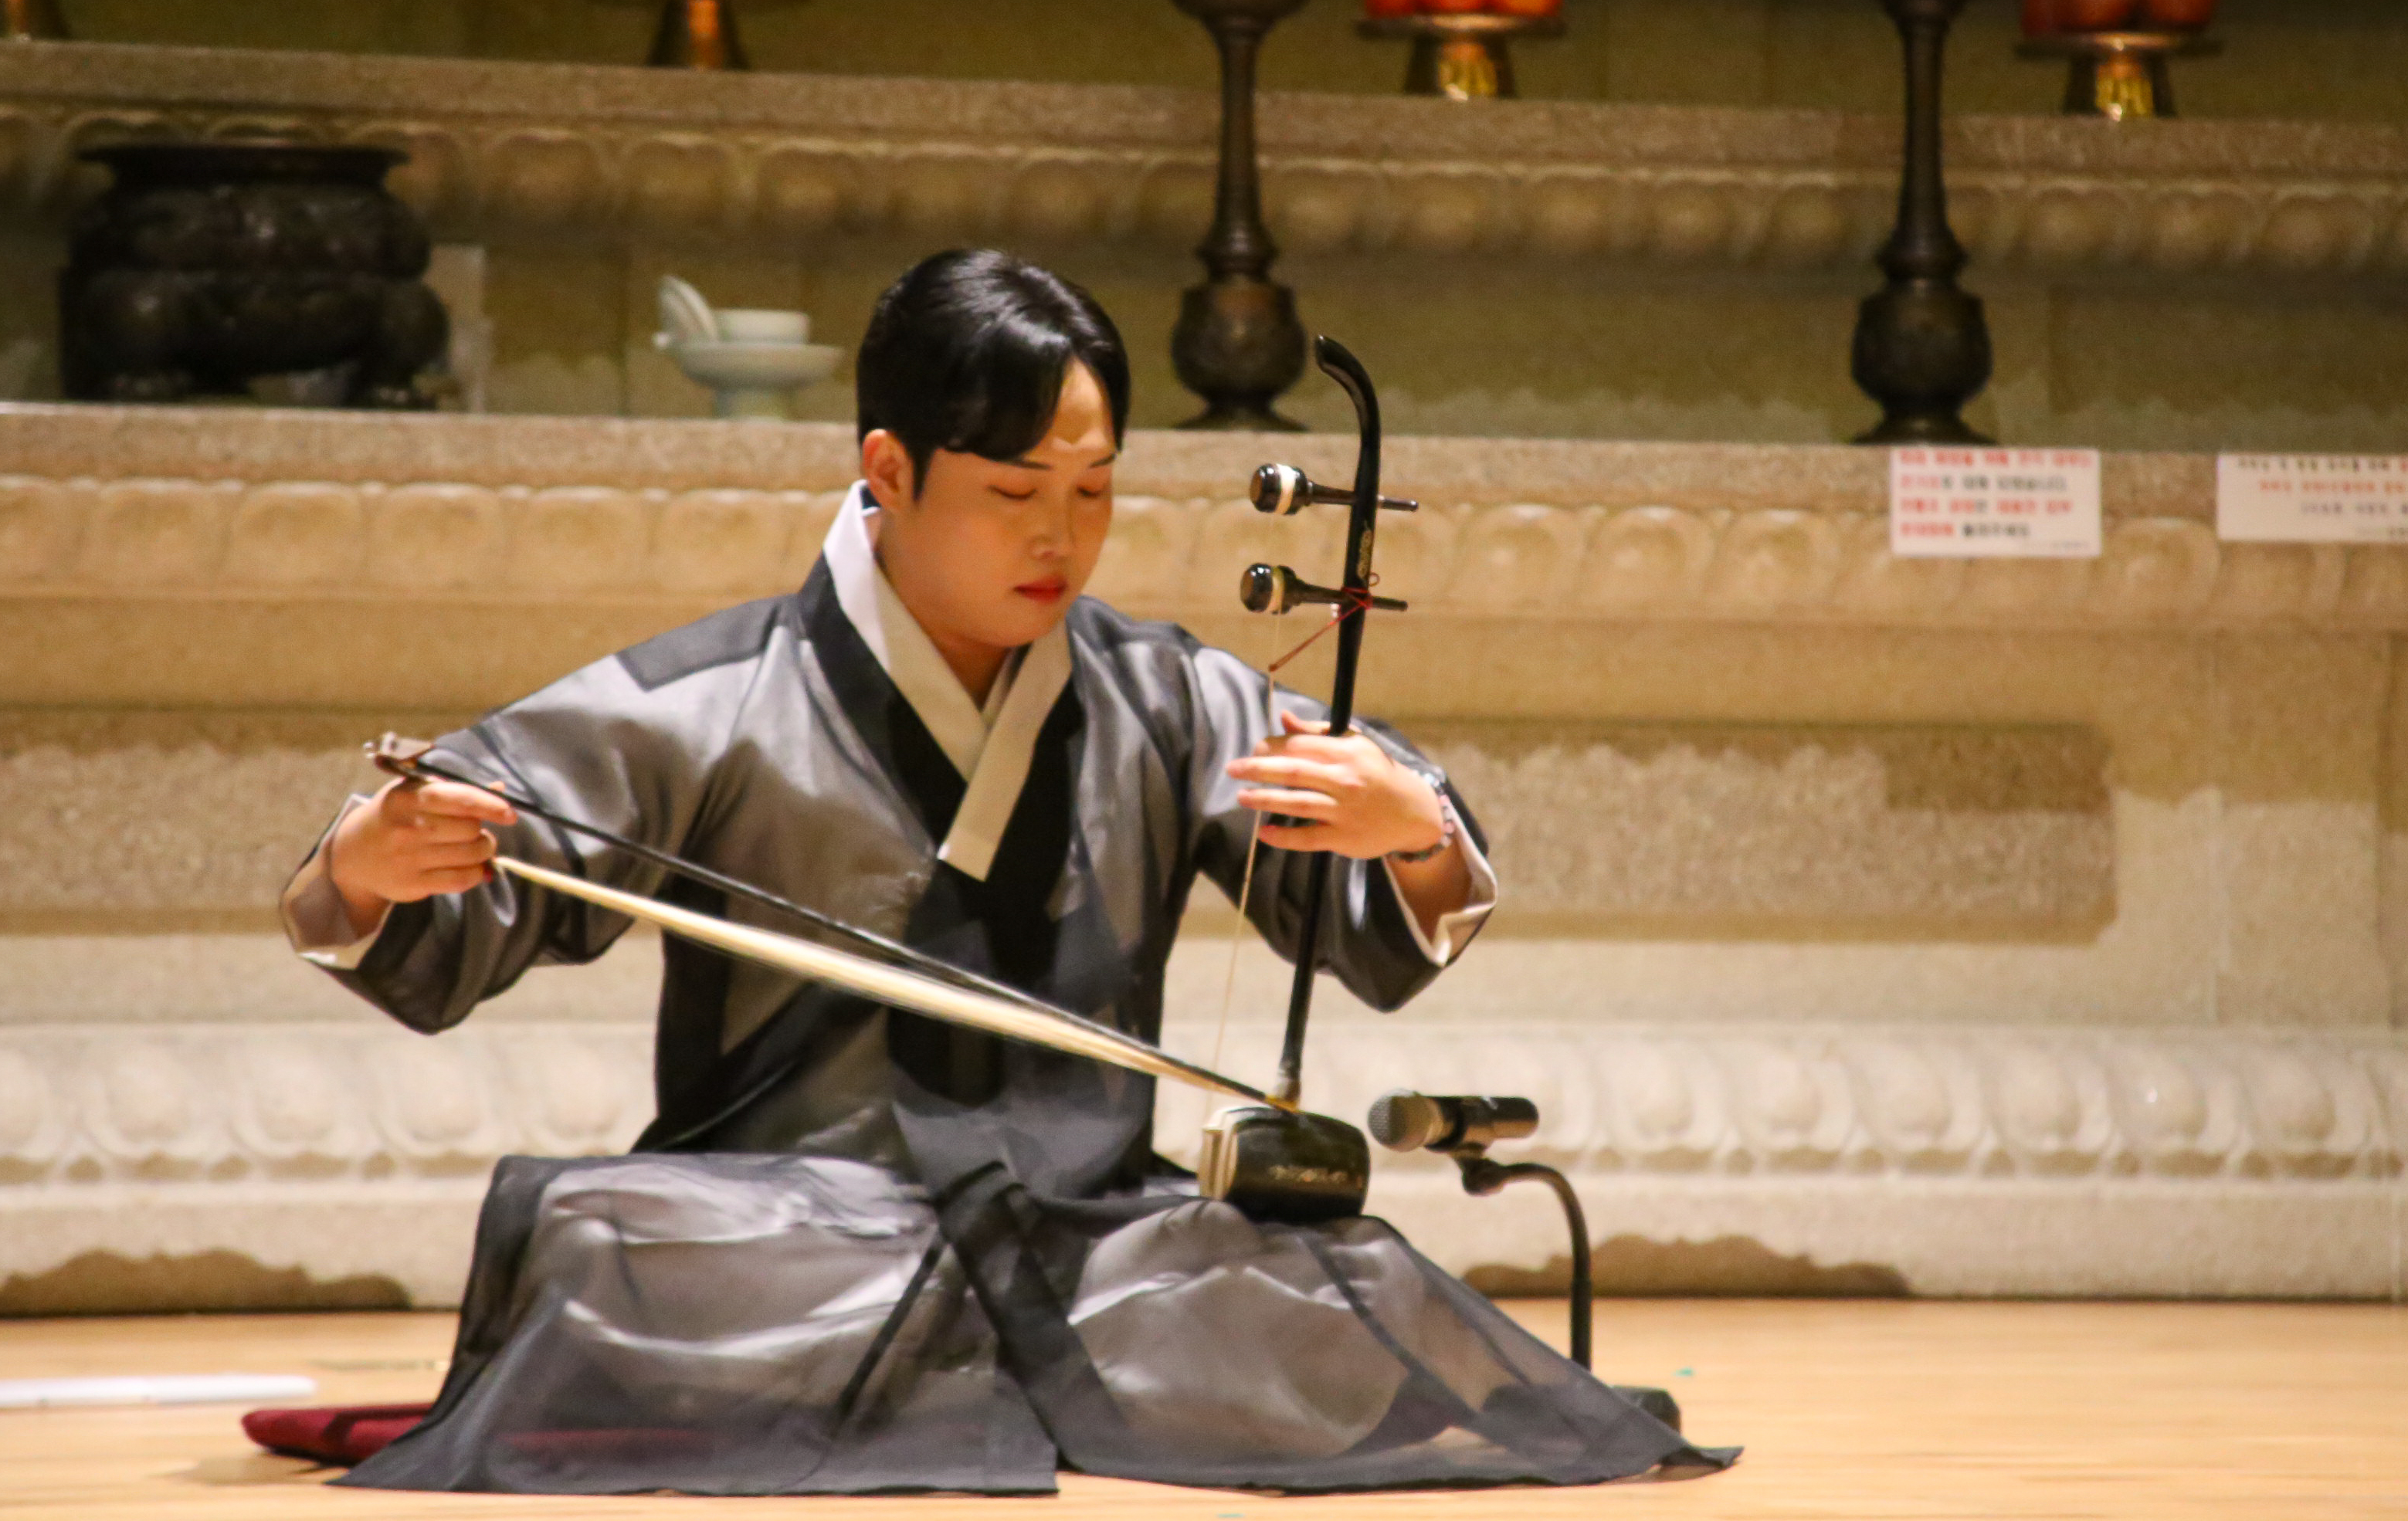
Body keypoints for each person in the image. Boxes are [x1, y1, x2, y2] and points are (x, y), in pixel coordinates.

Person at [280, 249, 1728, 1496]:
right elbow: (474, 850)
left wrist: (1409, 832)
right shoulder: (714, 695)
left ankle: (972, 1363)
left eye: (1095, 489)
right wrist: (372, 863)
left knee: (1327, 1266)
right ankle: (998, 1362)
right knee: (609, 1236)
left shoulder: (1164, 696)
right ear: (887, 469)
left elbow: (1373, 885)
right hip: (792, 1233)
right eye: (1014, 487)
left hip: (1088, 1239)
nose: (1060, 535)